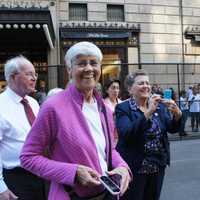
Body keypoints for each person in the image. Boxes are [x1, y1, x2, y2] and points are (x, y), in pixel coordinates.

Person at [20, 42, 131, 200]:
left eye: (93, 63)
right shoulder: (53, 107)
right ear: (69, 70)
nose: (88, 68)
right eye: (81, 63)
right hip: (70, 195)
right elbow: (28, 157)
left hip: (107, 193)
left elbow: (109, 150)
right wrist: (73, 172)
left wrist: (123, 167)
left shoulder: (103, 108)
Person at [115, 69, 182, 200]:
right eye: (141, 83)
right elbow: (126, 134)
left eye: (147, 83)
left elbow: (171, 128)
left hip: (157, 165)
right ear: (130, 89)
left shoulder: (159, 106)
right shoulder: (123, 108)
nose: (146, 86)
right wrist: (149, 112)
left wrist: (177, 115)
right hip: (135, 167)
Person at [0, 56, 46, 200]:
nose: (34, 78)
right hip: (15, 179)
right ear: (13, 77)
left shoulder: (33, 103)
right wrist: (1, 187)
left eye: (35, 74)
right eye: (29, 74)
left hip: (40, 175)